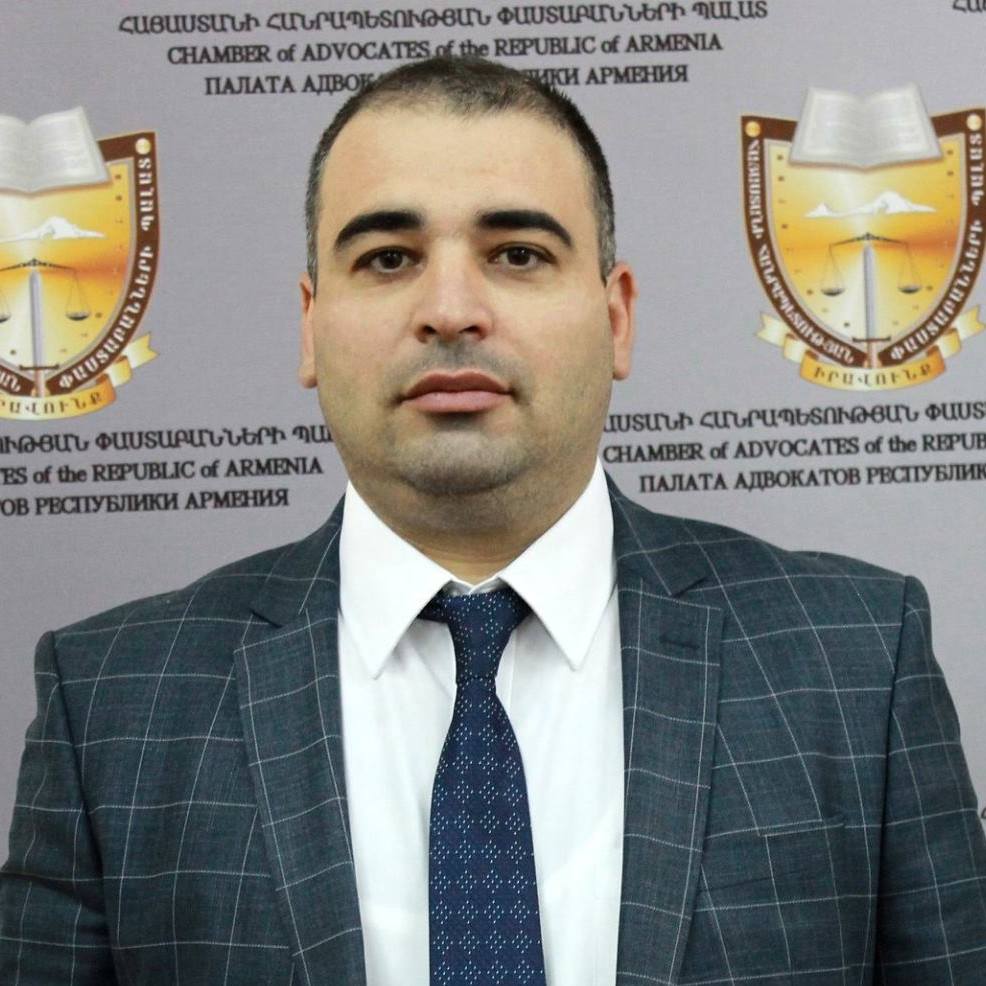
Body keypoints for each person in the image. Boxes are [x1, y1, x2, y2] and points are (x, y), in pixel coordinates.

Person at [2, 55, 985, 986]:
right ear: (310, 325)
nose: (449, 309)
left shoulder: (857, 661)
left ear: (617, 317)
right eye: (387, 257)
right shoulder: (113, 704)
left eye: (517, 253)